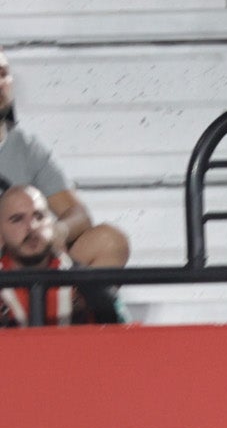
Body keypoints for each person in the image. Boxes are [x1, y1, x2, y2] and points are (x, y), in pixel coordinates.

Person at [0, 54, 131, 282]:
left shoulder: (26, 147)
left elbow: (78, 215)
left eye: (2, 74)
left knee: (110, 241)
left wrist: (57, 231)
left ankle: (61, 310)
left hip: (29, 267)